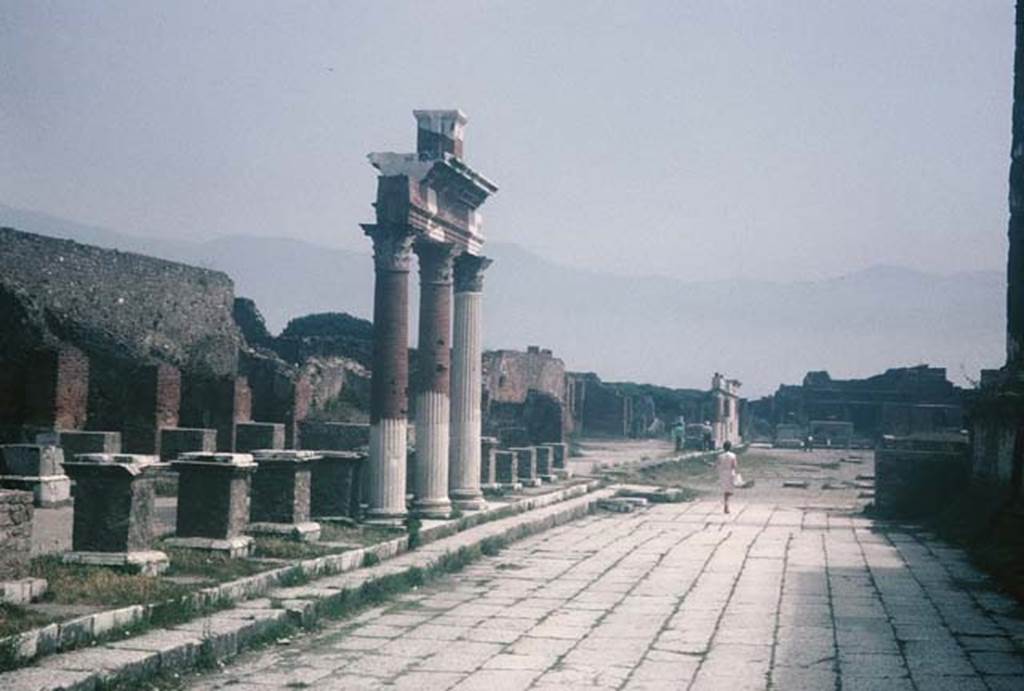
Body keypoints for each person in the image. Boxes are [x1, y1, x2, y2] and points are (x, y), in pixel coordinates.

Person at [717, 441, 738, 514]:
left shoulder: (720, 456)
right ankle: (726, 505)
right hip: (730, 473)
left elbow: (717, 465)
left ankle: (726, 504)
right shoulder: (733, 455)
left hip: (723, 474)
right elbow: (734, 465)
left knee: (726, 490)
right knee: (730, 491)